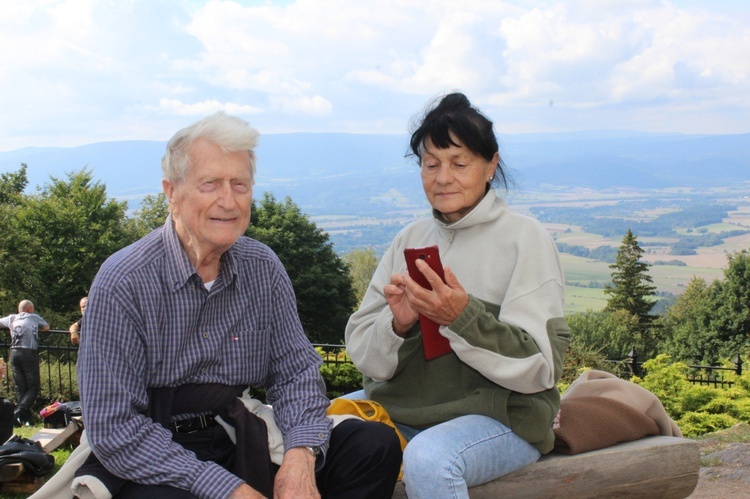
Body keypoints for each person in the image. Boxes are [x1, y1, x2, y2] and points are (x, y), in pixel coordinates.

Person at [76, 111, 401, 499]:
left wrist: (301, 454)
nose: (228, 201)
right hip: (153, 445)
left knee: (372, 445)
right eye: (210, 183)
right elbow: (114, 427)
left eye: (240, 185)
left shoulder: (261, 267)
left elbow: (295, 373)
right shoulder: (125, 280)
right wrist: (227, 489)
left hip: (238, 429)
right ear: (172, 191)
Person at [345, 92, 570, 498]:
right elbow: (363, 352)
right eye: (431, 164)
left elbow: (542, 367)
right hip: (406, 409)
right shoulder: (410, 240)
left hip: (503, 417)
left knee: (430, 459)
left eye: (459, 163)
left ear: (491, 165)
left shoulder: (524, 239)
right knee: (312, 430)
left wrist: (461, 316)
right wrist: (398, 324)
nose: (442, 177)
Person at [0, 300, 50, 426]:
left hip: (14, 353)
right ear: (29, 309)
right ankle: (18, 412)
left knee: (20, 387)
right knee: (34, 387)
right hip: (28, 353)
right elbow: (47, 327)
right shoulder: (33, 317)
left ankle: (25, 420)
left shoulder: (12, 318)